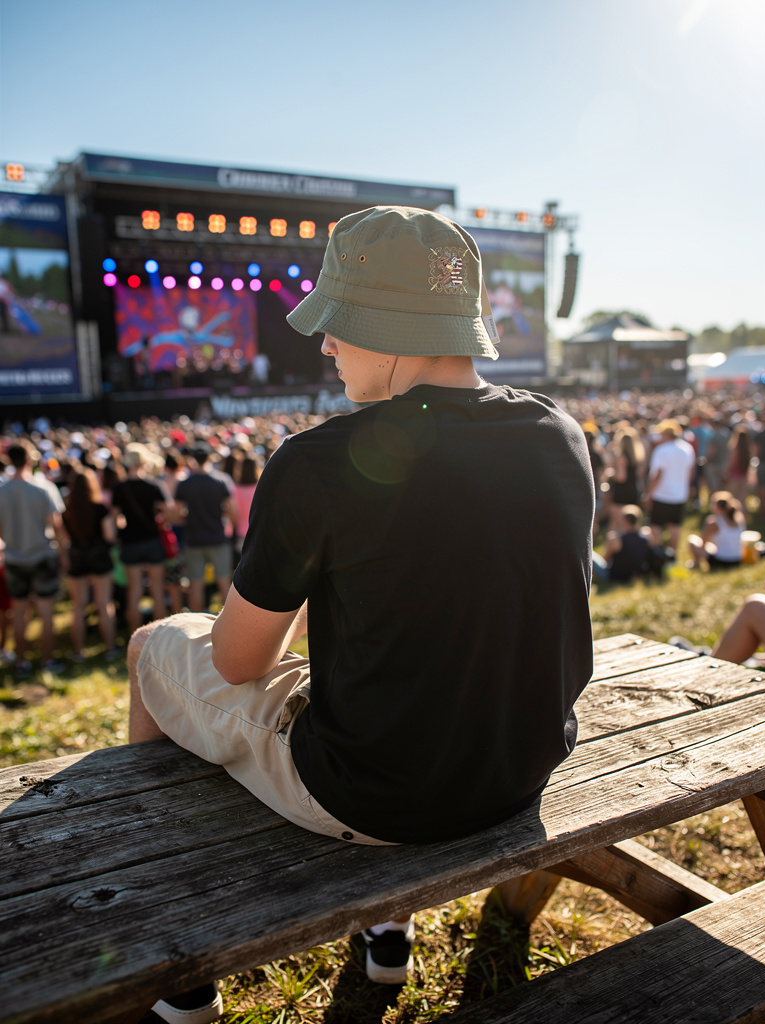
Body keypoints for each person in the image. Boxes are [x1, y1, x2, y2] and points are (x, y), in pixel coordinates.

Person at [126, 206, 594, 1020]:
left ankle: (181, 968)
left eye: (339, 323)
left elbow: (239, 665)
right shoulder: (560, 431)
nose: (326, 344)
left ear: (392, 331)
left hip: (375, 796)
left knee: (150, 643)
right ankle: (388, 931)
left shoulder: (319, 461)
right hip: (521, 773)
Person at [0, 443, 68, 676]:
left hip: (14, 557)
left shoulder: (2, 490)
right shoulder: (44, 488)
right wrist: (64, 554)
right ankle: (47, 661)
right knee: (46, 611)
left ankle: (21, 662)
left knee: (19, 611)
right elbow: (57, 526)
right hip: (42, 555)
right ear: (29, 460)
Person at [111, 444, 173, 632]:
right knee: (157, 589)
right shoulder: (154, 485)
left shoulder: (120, 488)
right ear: (144, 462)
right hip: (153, 540)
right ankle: (160, 637)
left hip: (130, 541)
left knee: (134, 590)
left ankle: (134, 634)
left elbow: (114, 517)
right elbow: (169, 511)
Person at [62, 465, 118, 660]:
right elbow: (109, 535)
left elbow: (63, 538)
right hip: (99, 555)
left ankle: (79, 651)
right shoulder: (99, 508)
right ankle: (110, 648)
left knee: (78, 606)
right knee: (104, 605)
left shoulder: (67, 510)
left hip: (77, 556)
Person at [174, 442, 236, 613]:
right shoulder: (221, 480)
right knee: (224, 581)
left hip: (194, 539)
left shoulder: (185, 483)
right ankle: (229, 624)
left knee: (196, 583)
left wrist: (190, 515)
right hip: (217, 537)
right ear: (210, 458)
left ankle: (196, 625)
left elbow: (177, 514)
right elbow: (232, 511)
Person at [645, 419, 696, 554]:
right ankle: (673, 555)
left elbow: (658, 475)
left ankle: (658, 555)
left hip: (661, 494)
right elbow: (690, 472)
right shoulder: (687, 448)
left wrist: (649, 493)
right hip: (679, 494)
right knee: (675, 526)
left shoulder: (661, 450)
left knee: (655, 526)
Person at [687, 490, 745, 571]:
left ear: (717, 506)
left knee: (692, 540)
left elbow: (703, 544)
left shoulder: (713, 522)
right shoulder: (740, 518)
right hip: (738, 560)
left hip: (720, 562)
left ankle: (696, 564)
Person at [592, 504, 650, 583]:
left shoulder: (617, 540)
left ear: (625, 520)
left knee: (591, 555)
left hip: (614, 577)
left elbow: (605, 560)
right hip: (634, 576)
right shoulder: (644, 539)